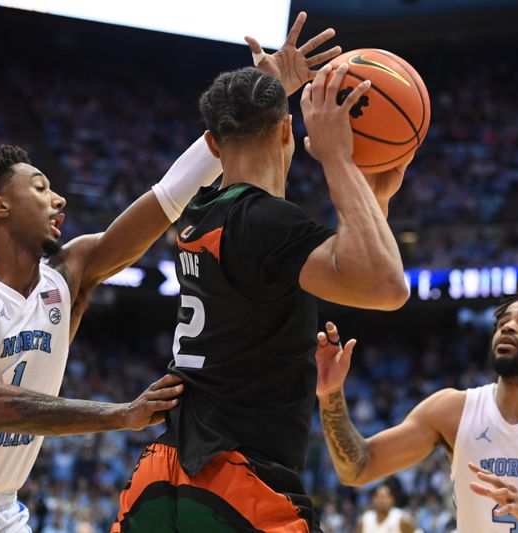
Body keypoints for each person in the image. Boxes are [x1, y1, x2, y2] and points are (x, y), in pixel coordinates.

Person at [0, 78, 230, 530]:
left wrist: (239, 117)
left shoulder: (68, 279)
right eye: (39, 188)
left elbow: (166, 197)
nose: (59, 199)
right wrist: (121, 415)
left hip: (3, 511)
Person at [111, 15, 411, 533]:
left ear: (212, 140)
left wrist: (374, 198)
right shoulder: (266, 223)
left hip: (160, 480)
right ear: (286, 130)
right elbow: (386, 287)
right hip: (239, 484)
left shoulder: (200, 213)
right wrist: (339, 157)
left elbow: (326, 258)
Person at [316, 289, 518, 532]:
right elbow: (357, 469)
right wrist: (331, 394)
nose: (508, 327)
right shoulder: (452, 410)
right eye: (503, 322)